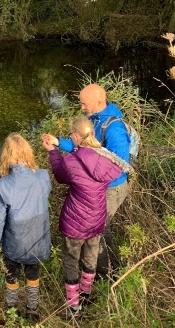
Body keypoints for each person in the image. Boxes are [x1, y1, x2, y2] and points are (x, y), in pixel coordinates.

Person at [41, 117, 131, 319]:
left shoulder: (71, 161)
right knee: (90, 259)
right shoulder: (106, 158)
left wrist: (53, 151)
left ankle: (73, 307)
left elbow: (60, 175)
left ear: (74, 136)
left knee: (71, 261)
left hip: (75, 222)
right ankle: (86, 293)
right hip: (97, 219)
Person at [42, 82, 130, 276]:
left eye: (84, 104)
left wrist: (90, 177)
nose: (82, 108)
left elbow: (120, 164)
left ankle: (105, 272)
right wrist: (58, 142)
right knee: (96, 228)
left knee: (100, 229)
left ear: (99, 101)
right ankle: (96, 269)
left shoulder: (114, 128)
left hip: (110, 188)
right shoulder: (94, 120)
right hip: (97, 187)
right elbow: (82, 147)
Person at [0, 133, 52, 323]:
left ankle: (12, 309)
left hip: (14, 240)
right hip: (38, 238)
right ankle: (32, 310)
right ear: (27, 152)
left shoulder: (3, 184)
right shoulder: (43, 176)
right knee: (33, 273)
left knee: (11, 274)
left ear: (6, 156)